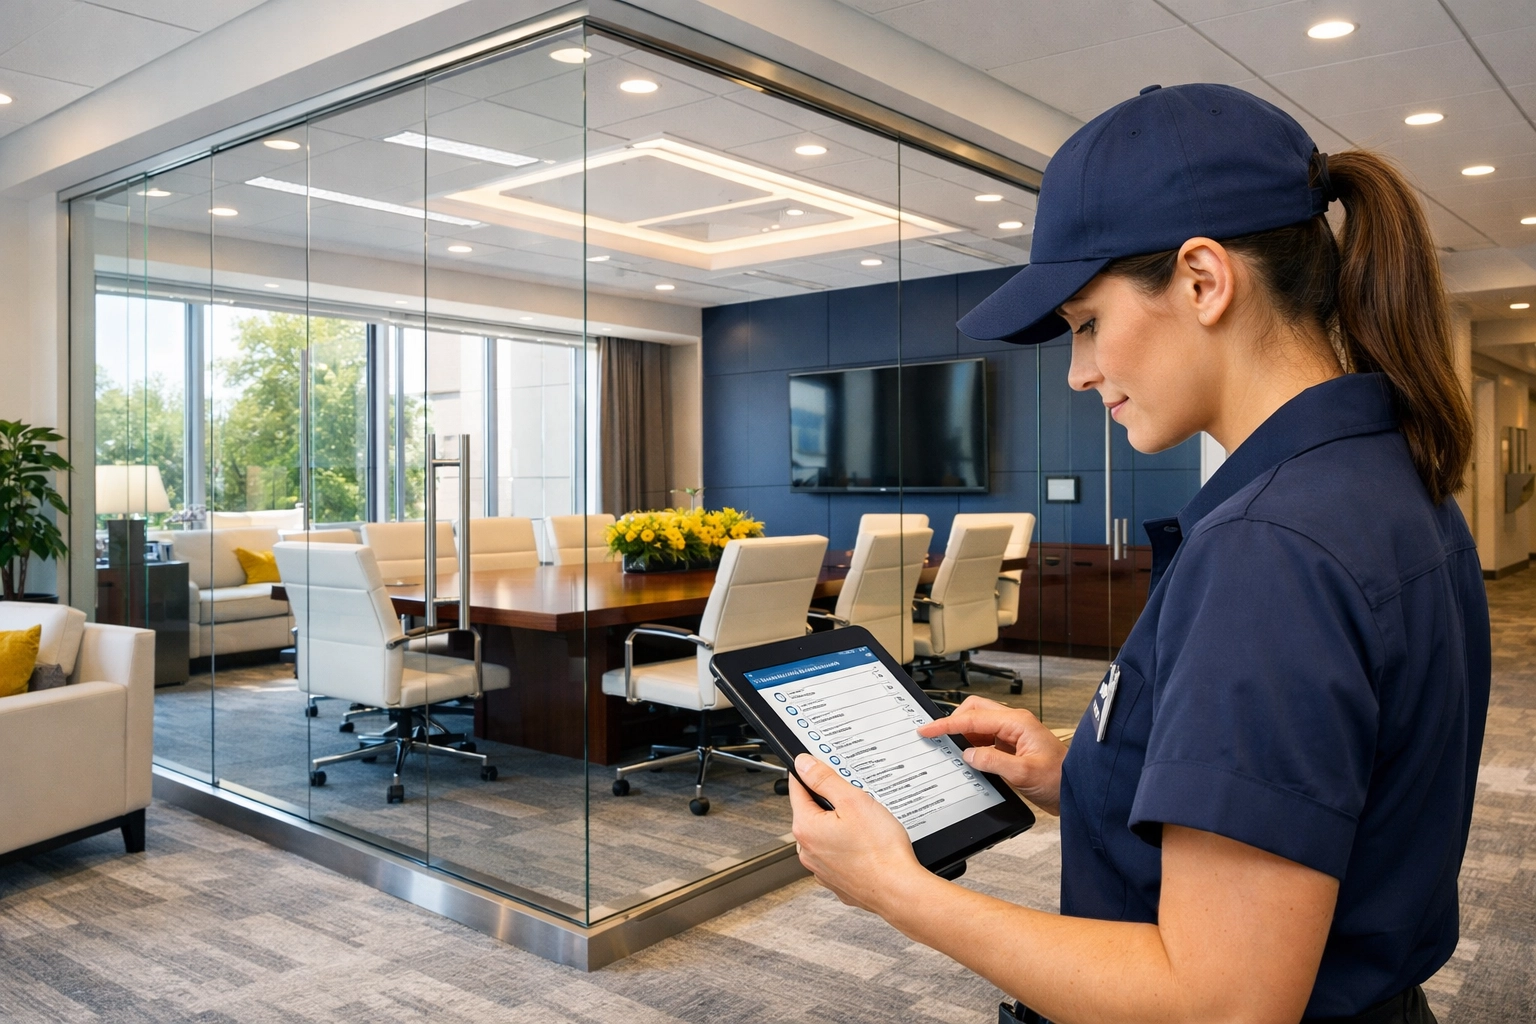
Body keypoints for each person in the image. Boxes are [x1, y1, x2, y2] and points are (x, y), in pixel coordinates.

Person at [788, 83, 1489, 1024]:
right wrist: (1081, 770)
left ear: (1204, 280)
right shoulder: (1391, 479)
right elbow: (1322, 799)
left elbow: (1220, 1003)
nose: (1079, 371)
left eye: (1086, 323)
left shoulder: (1268, 553)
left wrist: (900, 890)